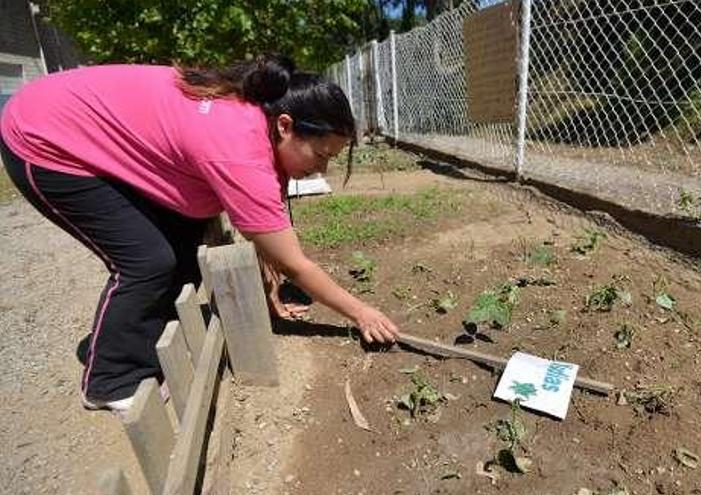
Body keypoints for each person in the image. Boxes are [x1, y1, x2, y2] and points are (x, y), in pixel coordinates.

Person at [0, 54, 401, 414]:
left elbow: (269, 226)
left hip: (72, 119)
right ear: (285, 126)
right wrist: (361, 312)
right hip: (43, 138)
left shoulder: (257, 116)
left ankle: (149, 339)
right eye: (321, 155)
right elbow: (293, 261)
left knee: (182, 238)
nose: (323, 170)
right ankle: (110, 379)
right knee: (147, 261)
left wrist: (269, 287)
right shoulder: (237, 146)